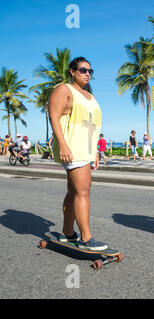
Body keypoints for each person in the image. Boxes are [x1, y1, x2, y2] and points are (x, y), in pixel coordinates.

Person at [49, 56, 107, 251]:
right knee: (83, 191)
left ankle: (67, 232)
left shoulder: (90, 95)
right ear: (72, 71)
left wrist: (95, 153)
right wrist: (63, 145)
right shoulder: (64, 89)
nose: (88, 73)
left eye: (90, 71)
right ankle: (86, 238)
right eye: (83, 70)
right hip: (73, 147)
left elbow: (92, 126)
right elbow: (54, 117)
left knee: (74, 191)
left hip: (86, 149)